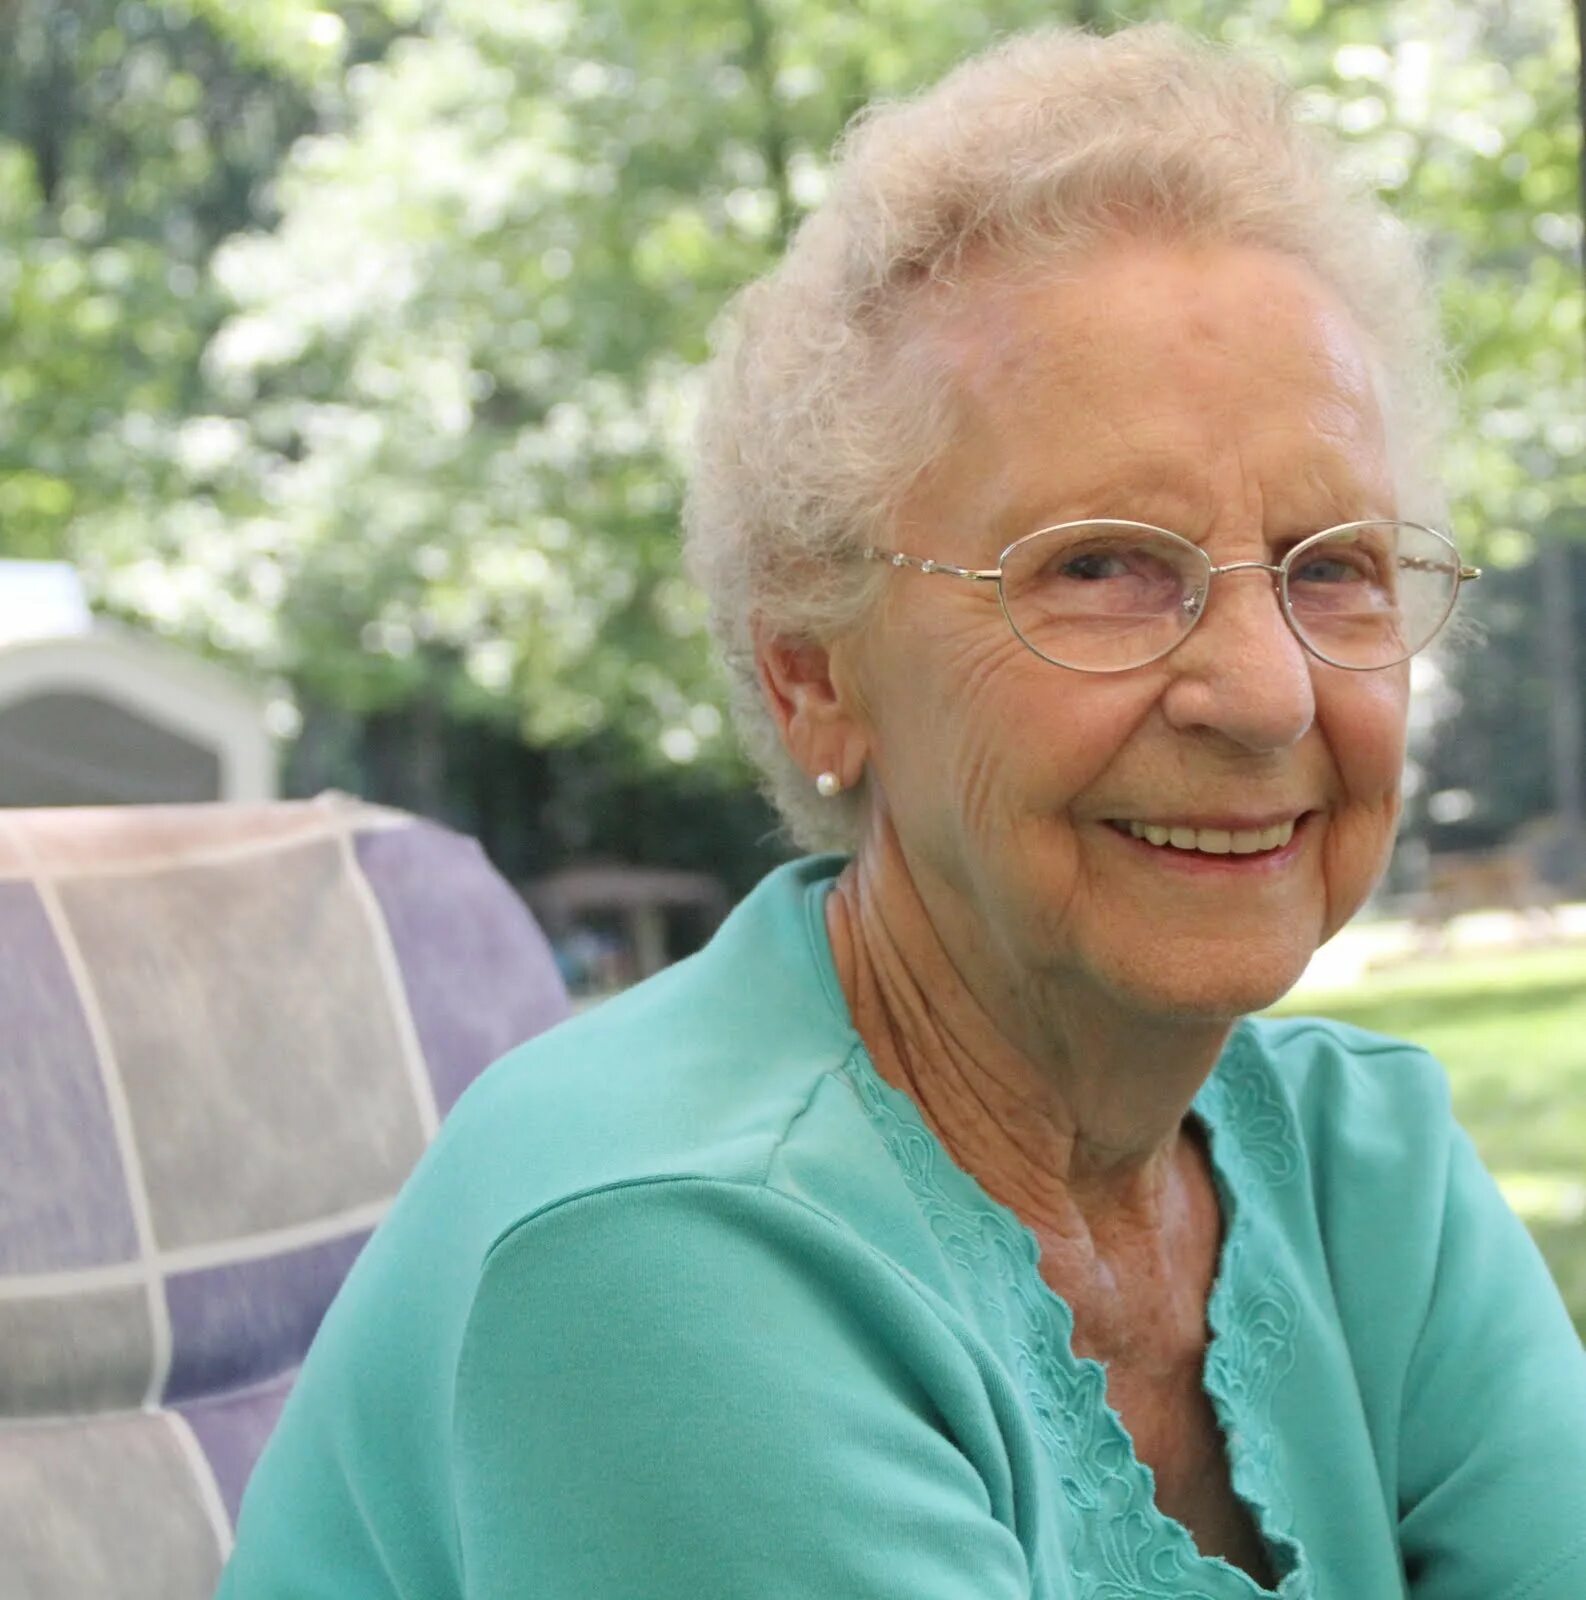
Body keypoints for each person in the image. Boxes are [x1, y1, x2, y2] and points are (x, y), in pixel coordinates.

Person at [218, 24, 1586, 1599]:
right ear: (814, 680)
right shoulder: (660, 1252)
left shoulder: (1366, 1164)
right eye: (1101, 566)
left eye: (1330, 567)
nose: (1266, 691)